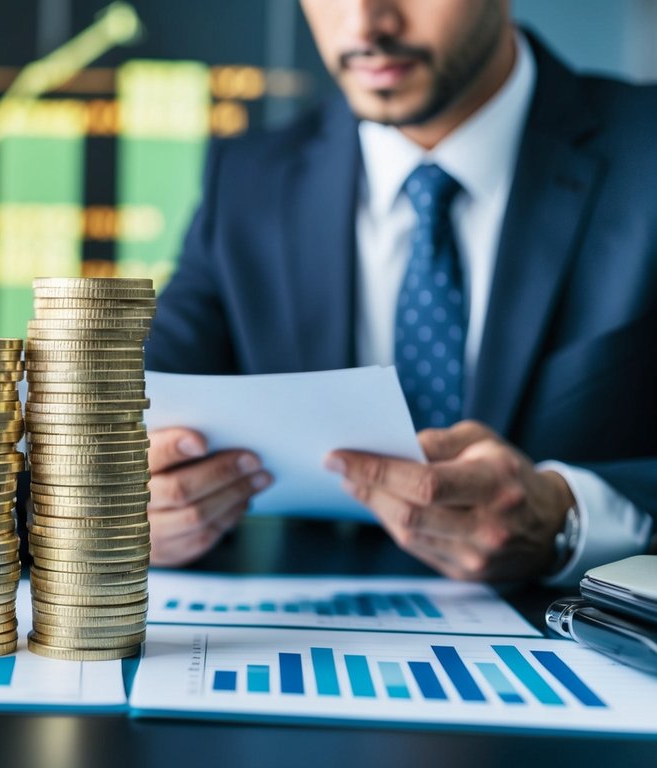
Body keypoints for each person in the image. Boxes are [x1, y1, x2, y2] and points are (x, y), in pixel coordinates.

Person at [144, 0, 657, 583]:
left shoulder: (647, 155)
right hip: (317, 643)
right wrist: (133, 498)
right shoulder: (248, 182)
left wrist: (572, 514)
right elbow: (138, 412)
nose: (365, 25)